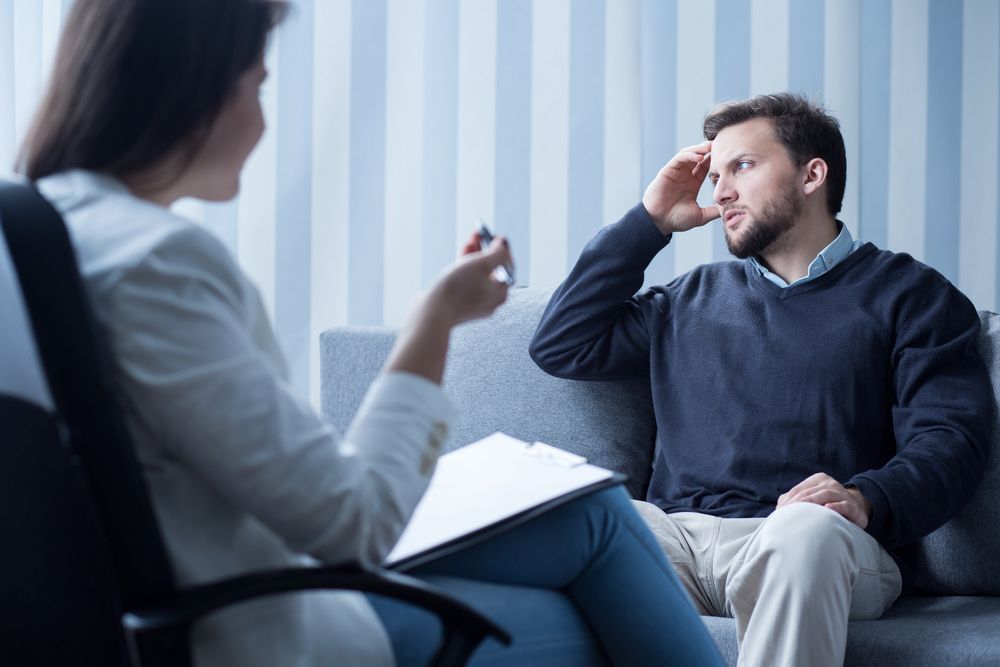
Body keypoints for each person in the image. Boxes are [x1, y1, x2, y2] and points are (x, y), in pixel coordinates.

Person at [17, 0, 725, 665]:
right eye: (256, 87)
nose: (263, 124)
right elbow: (352, 522)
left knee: (592, 511)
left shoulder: (39, 243)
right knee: (594, 588)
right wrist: (433, 322)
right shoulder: (159, 263)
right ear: (191, 87)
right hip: (261, 625)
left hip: (193, 593)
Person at [530, 92, 992, 667]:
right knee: (582, 521)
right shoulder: (688, 300)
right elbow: (561, 342)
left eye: (742, 166)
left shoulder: (912, 296)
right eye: (715, 174)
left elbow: (952, 439)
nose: (720, 190)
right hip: (680, 537)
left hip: (814, 540)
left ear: (811, 174)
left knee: (804, 532)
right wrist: (648, 222)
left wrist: (863, 498)